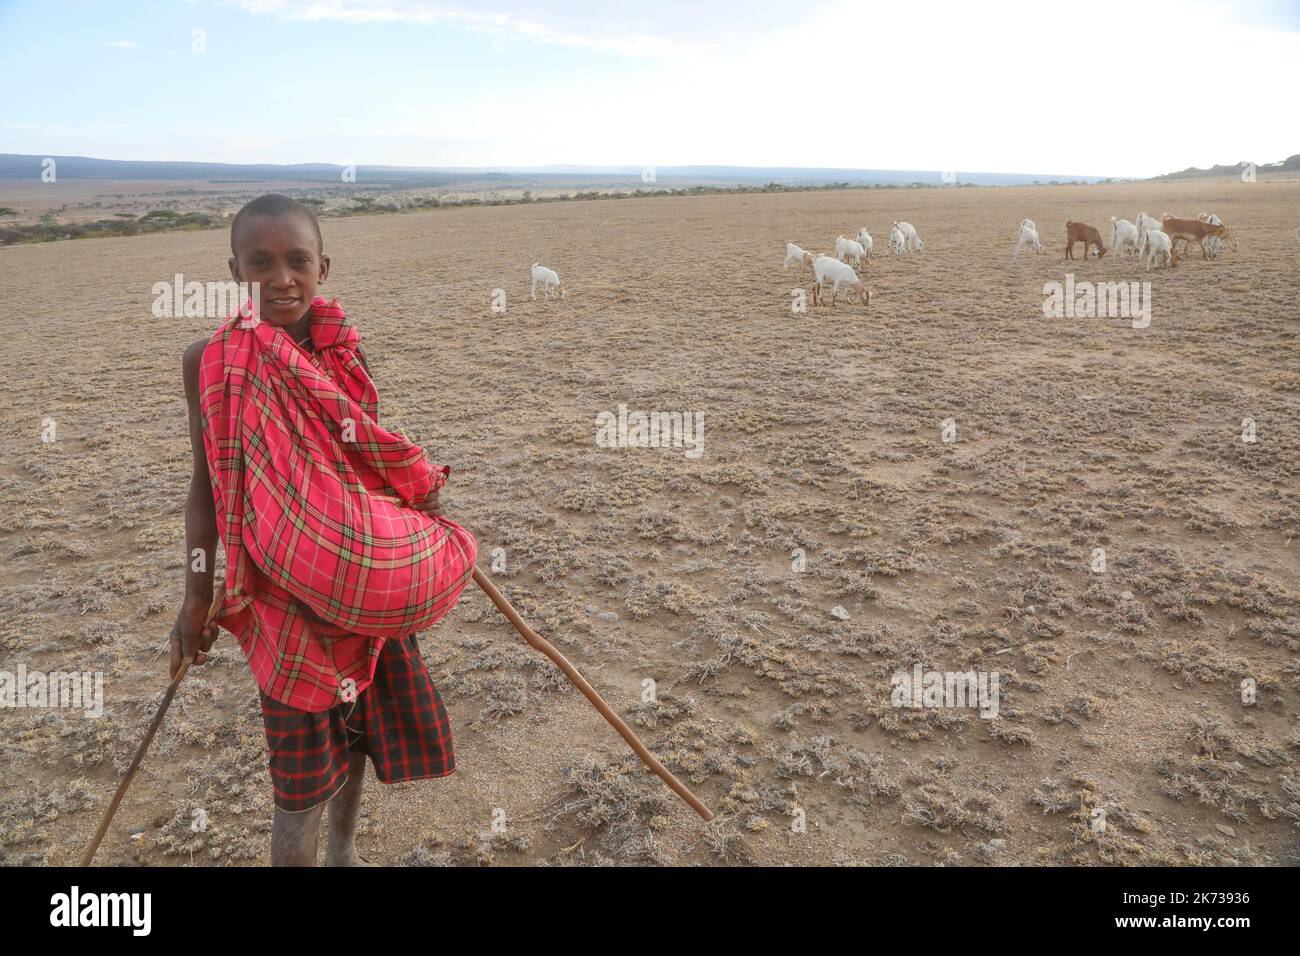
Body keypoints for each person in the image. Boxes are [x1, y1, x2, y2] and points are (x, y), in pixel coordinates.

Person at [171, 193, 475, 865]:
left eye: (297, 260)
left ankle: (345, 856)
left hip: (363, 591)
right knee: (300, 781)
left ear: (323, 267)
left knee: (360, 735)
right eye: (260, 262)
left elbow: (369, 460)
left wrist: (424, 513)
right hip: (285, 602)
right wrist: (197, 595)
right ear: (233, 270)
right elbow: (206, 486)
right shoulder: (209, 361)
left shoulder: (344, 352)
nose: (280, 278)